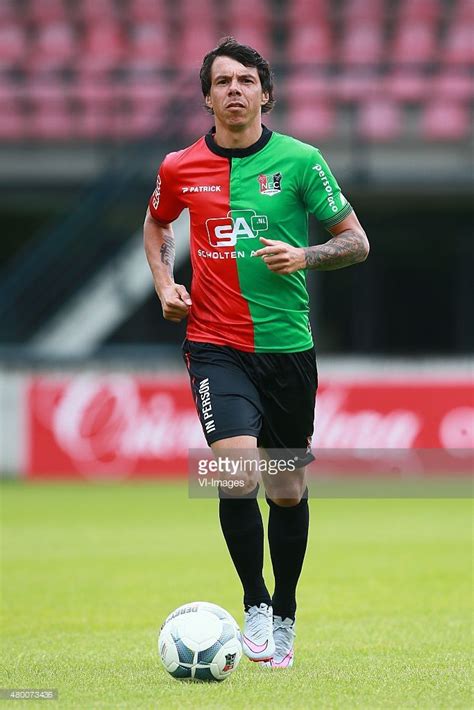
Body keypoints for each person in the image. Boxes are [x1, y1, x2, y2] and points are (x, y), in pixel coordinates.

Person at [144, 37, 369, 669]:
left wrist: (307, 254)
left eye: (247, 80)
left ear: (265, 94)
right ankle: (255, 604)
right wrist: (166, 284)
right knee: (235, 473)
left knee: (287, 489)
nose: (235, 90)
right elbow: (158, 222)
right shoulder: (179, 166)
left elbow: (355, 241)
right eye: (223, 82)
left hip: (288, 349)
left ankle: (287, 613)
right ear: (208, 96)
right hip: (215, 347)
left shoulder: (300, 161)